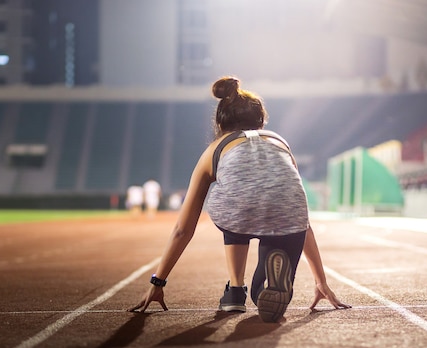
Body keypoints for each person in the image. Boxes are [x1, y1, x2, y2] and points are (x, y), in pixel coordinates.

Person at [129, 76, 351, 322]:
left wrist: (158, 282)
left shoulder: (214, 149)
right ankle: (268, 282)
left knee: (235, 203)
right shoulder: (280, 142)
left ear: (220, 122)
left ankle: (235, 290)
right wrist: (321, 281)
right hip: (289, 218)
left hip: (236, 215)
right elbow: (299, 212)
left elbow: (183, 228)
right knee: (264, 291)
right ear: (261, 120)